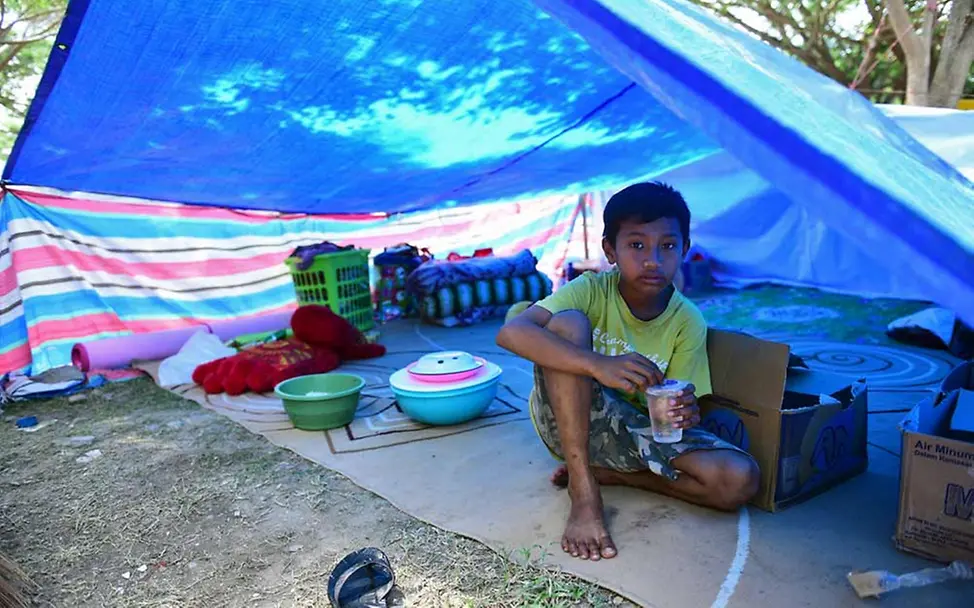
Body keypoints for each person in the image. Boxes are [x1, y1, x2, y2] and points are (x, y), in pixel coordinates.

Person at [496, 182, 759, 562]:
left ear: (684, 249)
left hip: (636, 431)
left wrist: (686, 409)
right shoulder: (590, 290)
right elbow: (512, 332)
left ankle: (617, 476)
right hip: (571, 423)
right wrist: (599, 365)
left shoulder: (687, 320)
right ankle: (583, 488)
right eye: (636, 245)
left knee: (738, 480)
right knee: (568, 325)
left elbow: (686, 406)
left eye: (667, 246)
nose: (653, 259)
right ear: (610, 250)